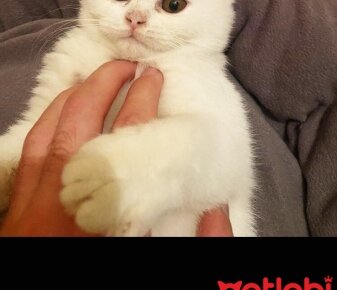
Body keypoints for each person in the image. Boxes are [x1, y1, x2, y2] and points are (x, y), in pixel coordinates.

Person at [0, 61, 232, 237]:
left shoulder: (198, 71)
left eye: (173, 5)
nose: (136, 18)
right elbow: (36, 138)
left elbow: (224, 157)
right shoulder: (76, 50)